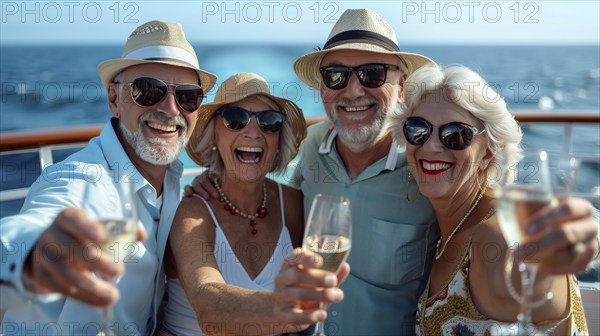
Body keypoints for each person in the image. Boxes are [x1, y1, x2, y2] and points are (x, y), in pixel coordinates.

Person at [189, 8, 599, 336]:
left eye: (372, 75)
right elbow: (283, 208)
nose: (352, 91)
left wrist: (572, 233)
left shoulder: (424, 168)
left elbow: (508, 233)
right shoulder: (313, 149)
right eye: (337, 76)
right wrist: (224, 182)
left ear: (401, 86)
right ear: (323, 91)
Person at [0, 20, 217, 335]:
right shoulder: (82, 179)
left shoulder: (173, 181)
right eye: (149, 90)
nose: (171, 109)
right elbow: (27, 229)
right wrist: (36, 256)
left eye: (187, 97)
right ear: (114, 99)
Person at [388, 65, 595, 335]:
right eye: (418, 129)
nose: (430, 146)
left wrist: (556, 257)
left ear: (487, 152)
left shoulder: (494, 231)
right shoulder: (444, 230)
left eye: (456, 135)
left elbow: (522, 275)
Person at [157, 72, 330, 336]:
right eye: (235, 119)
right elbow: (209, 305)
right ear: (214, 135)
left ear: (277, 139)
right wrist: (287, 311)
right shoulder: (191, 213)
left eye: (269, 122)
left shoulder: (292, 204)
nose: (253, 132)